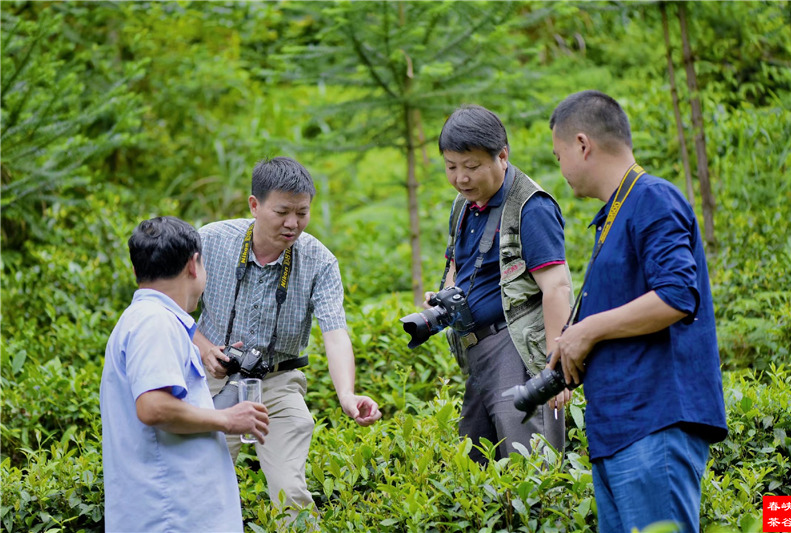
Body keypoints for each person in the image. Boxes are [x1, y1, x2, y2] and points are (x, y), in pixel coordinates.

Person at [547, 90, 728, 532]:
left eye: (558, 155)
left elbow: (677, 295)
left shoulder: (652, 199)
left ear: (582, 144)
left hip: (654, 423)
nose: (560, 167)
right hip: (618, 429)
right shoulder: (615, 214)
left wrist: (588, 330)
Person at [194, 156, 382, 521]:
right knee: (204, 486)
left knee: (290, 491)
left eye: (302, 213)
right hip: (213, 381)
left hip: (278, 383)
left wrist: (347, 395)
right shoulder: (211, 241)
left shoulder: (319, 261)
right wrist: (204, 349)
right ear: (254, 205)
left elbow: (335, 332)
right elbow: (169, 307)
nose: (292, 223)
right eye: (282, 212)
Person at [101, 216, 270, 533]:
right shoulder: (155, 322)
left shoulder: (149, 320)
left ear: (136, 270)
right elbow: (153, 407)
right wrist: (227, 419)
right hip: (172, 516)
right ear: (194, 265)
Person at [428, 104, 574, 465]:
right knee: (476, 462)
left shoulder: (531, 206)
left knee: (528, 464)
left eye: (471, 166)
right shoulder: (463, 205)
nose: (461, 178)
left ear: (502, 157)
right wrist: (442, 302)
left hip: (517, 348)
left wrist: (555, 369)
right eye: (451, 167)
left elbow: (557, 288)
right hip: (475, 350)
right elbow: (457, 266)